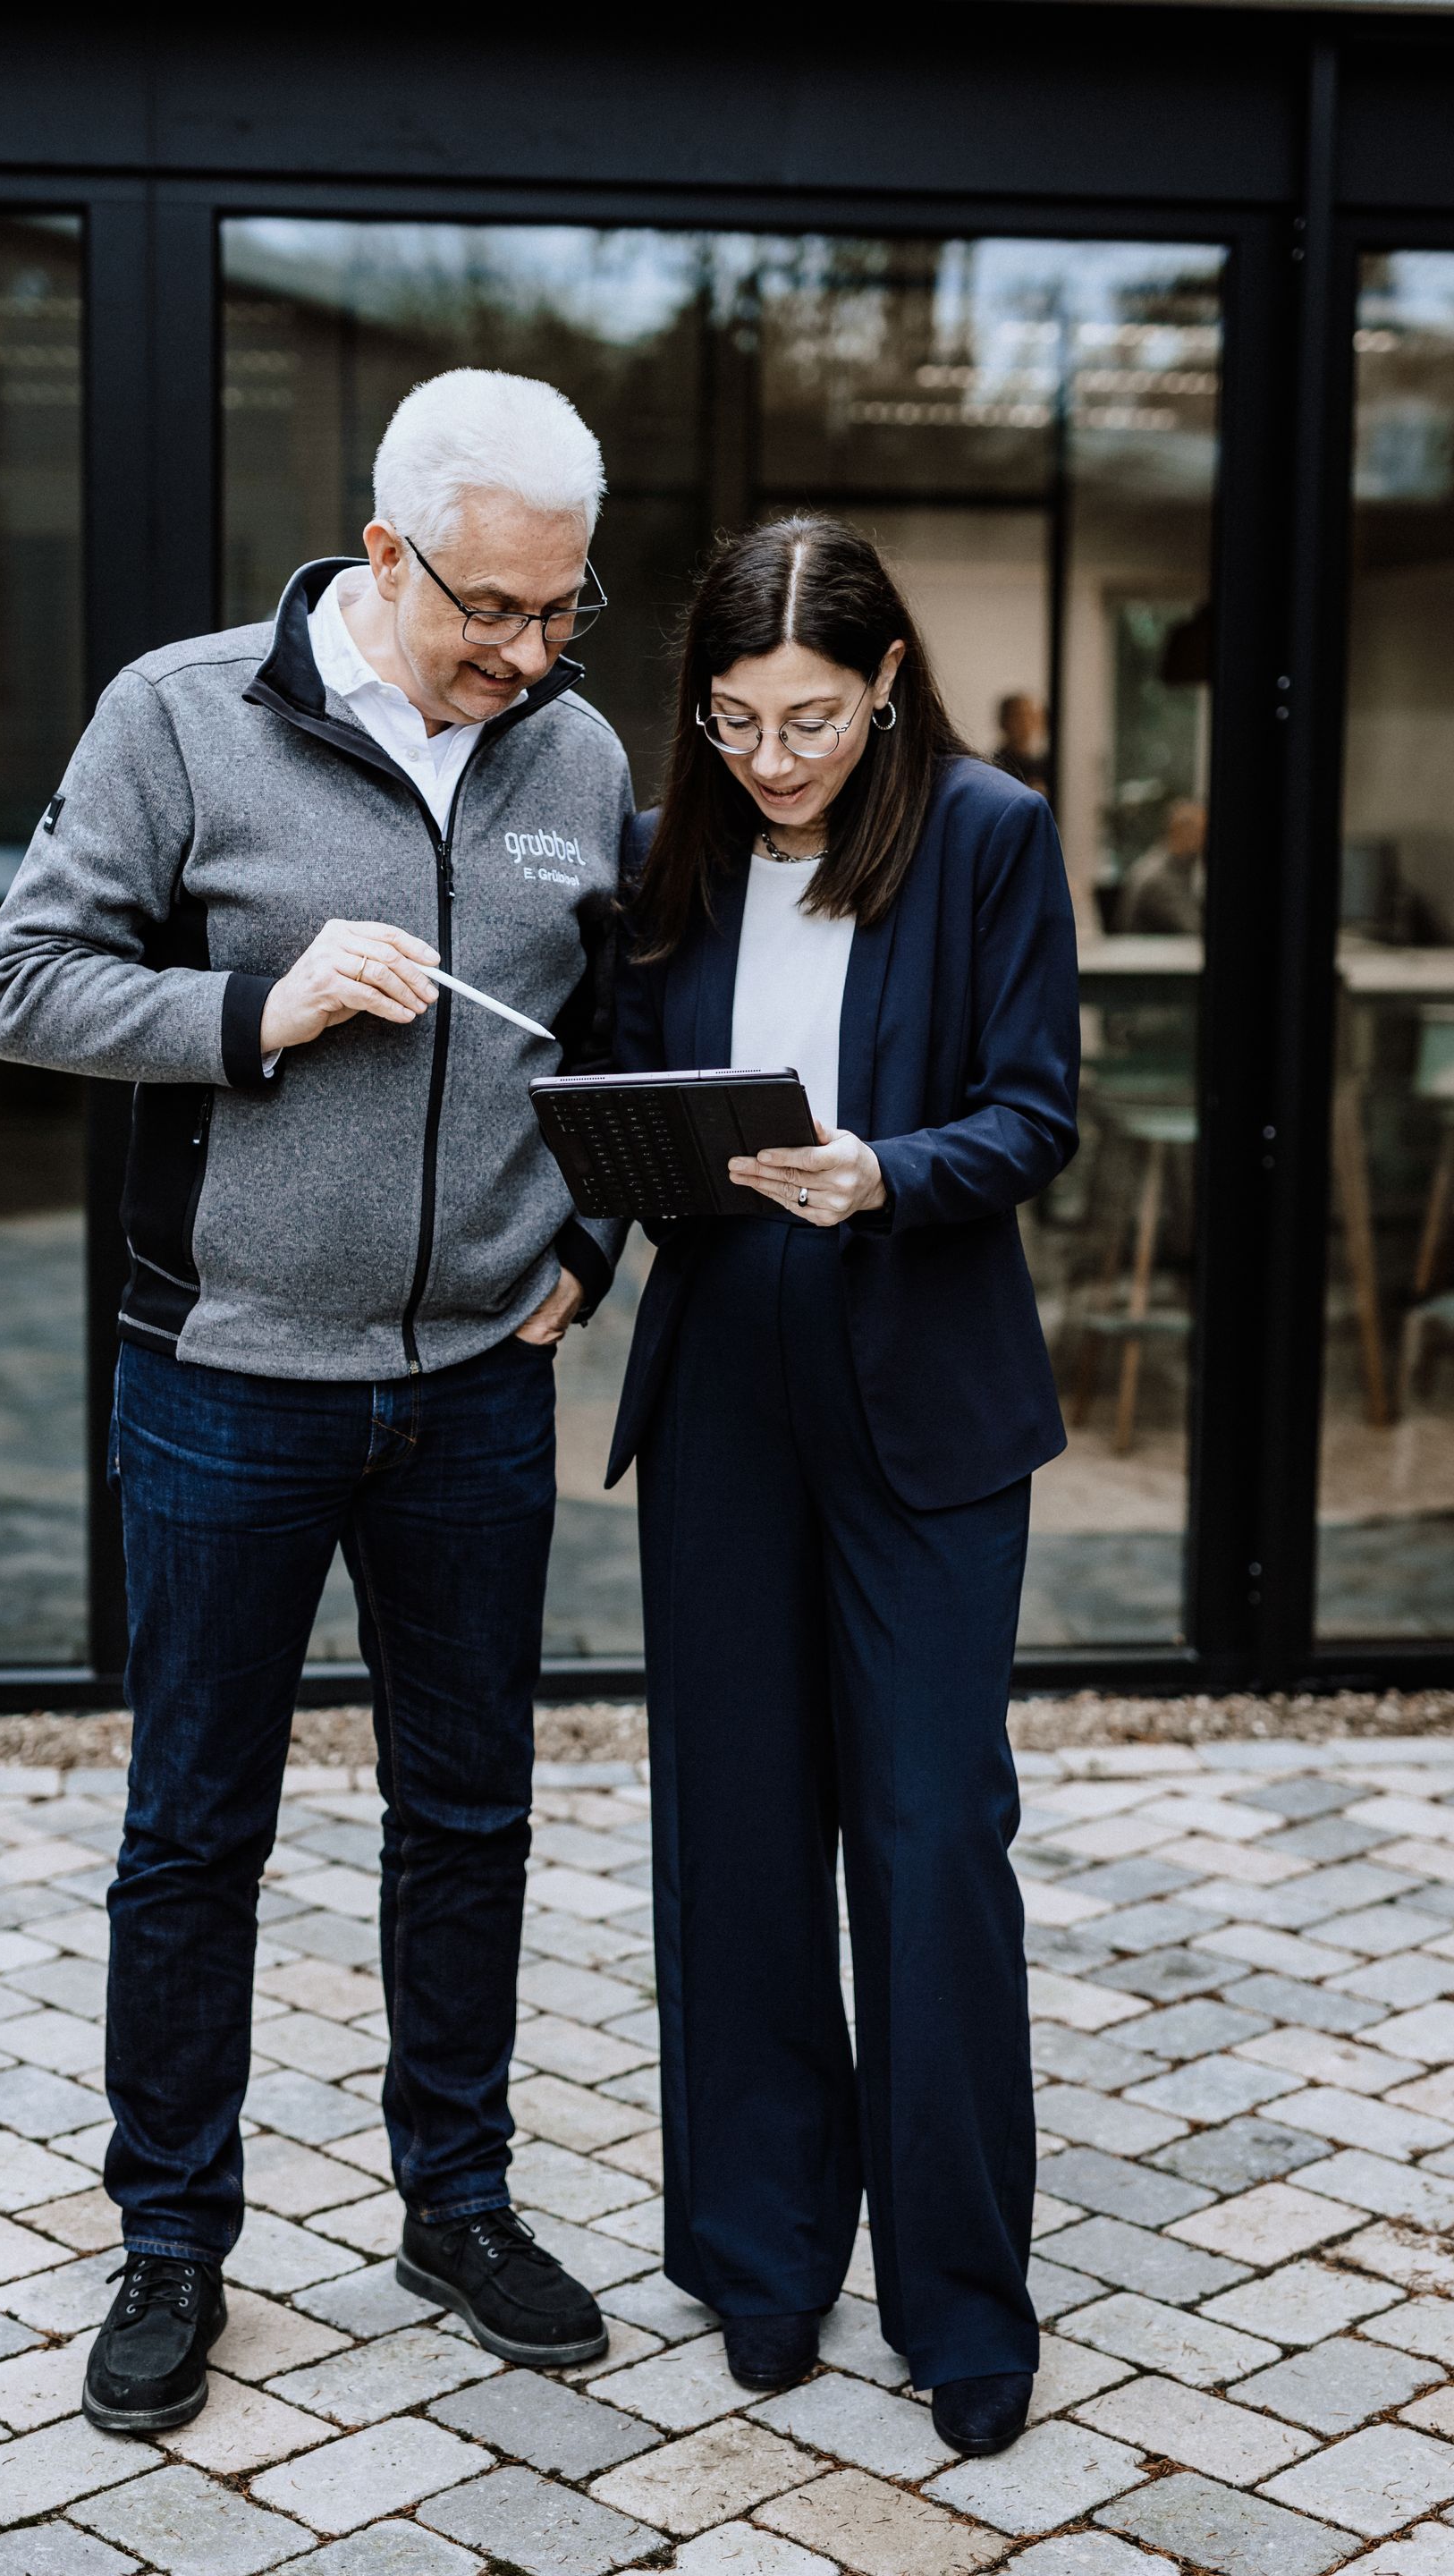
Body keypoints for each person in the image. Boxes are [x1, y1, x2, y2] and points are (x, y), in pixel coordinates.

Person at [0, 369, 633, 2432]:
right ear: (383, 551)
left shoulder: (580, 753)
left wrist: (586, 1253)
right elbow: (24, 982)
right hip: (223, 1382)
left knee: (472, 1813)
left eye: (560, 612)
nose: (524, 652)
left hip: (472, 1397)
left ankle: (458, 2198)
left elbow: (616, 1036)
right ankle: (171, 2235)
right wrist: (259, 1004)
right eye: (490, 610)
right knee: (194, 1833)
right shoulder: (177, 717)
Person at [609, 518, 1079, 2459]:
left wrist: (888, 1172)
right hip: (725, 1365)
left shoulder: (987, 831)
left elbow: (1035, 1111)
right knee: (733, 1828)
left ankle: (963, 2296)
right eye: (732, 721)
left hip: (922, 1379)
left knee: (927, 1836)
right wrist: (618, 1177)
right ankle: (762, 2254)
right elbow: (626, 1073)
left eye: (807, 717)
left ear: (886, 682)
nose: (770, 758)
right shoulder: (685, 848)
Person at [1118, 794, 1206, 935]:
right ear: (1182, 833)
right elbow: (1194, 928)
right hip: (1149, 954)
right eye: (1201, 833)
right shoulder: (1160, 878)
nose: (1204, 841)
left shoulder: (1164, 863)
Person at [992, 690, 1051, 799]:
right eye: (1019, 716)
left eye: (1031, 716)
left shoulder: (1045, 766)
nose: (1025, 723)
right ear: (1003, 721)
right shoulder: (994, 767)